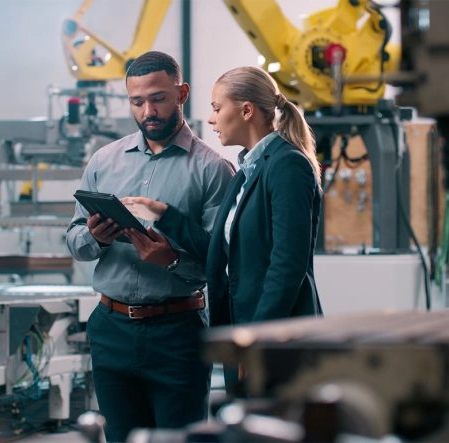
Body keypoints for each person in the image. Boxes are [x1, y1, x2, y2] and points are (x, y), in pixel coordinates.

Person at [66, 51, 235, 442]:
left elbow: (220, 263)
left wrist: (172, 259)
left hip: (177, 333)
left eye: (158, 98)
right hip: (111, 329)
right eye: (137, 102)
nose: (148, 111)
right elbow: (75, 240)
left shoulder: (213, 170)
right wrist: (96, 236)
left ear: (182, 94)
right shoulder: (103, 161)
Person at [123, 65, 323, 395]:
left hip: (274, 336)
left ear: (246, 111)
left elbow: (288, 266)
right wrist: (163, 214)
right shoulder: (248, 168)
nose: (211, 119)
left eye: (217, 108)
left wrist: (255, 340)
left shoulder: (287, 165)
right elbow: (221, 249)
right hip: (243, 329)